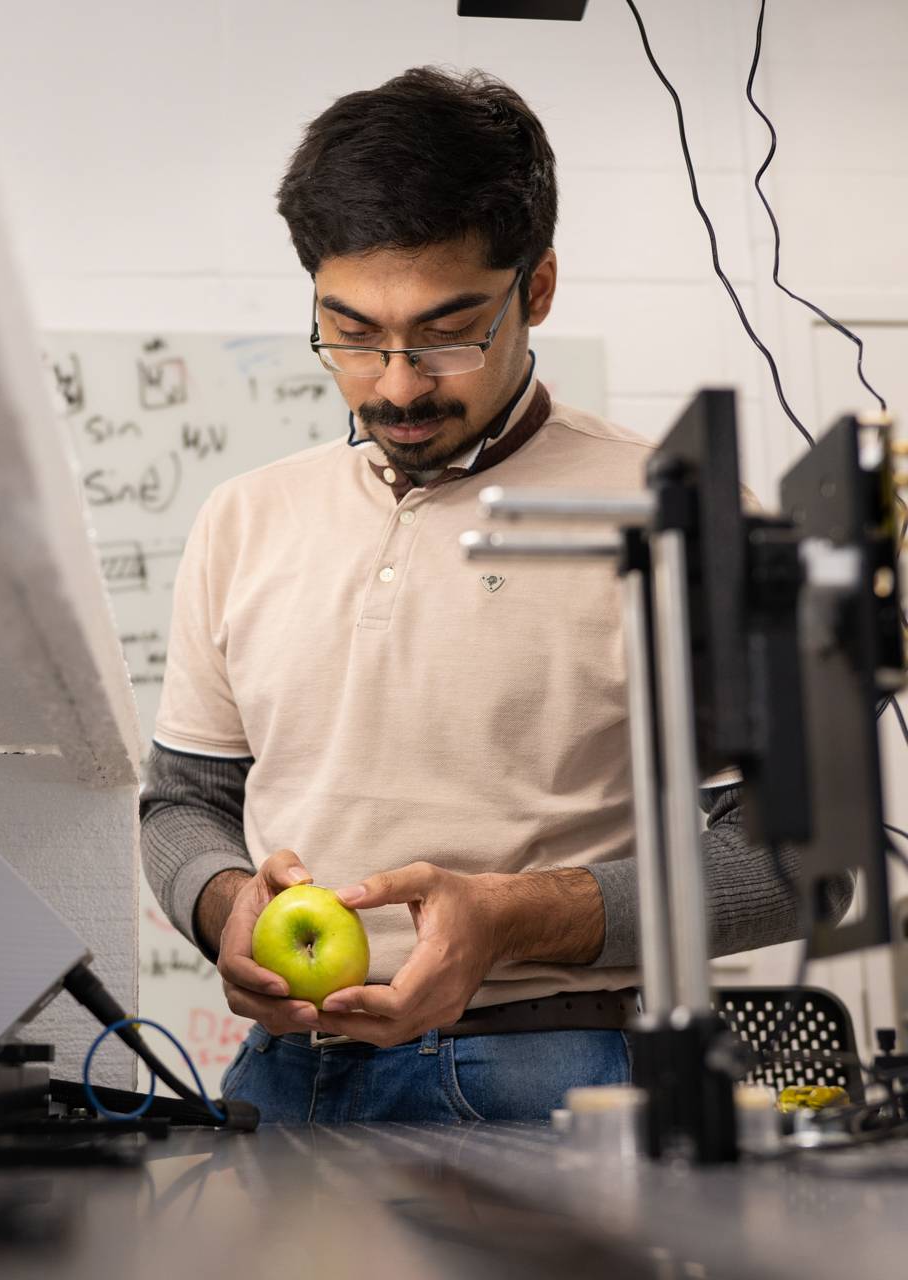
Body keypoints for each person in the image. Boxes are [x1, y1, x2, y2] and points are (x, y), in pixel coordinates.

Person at [140, 67, 847, 1125]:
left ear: (539, 286)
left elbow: (806, 856)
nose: (395, 383)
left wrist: (516, 917)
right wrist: (224, 900)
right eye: (349, 332)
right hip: (276, 1078)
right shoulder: (245, 516)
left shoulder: (683, 514)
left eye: (447, 330)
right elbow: (181, 803)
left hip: (547, 1073)